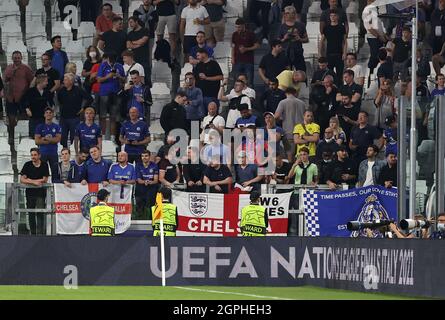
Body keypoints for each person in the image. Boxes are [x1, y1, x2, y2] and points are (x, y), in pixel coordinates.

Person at [3, 51, 34, 143]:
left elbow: (32, 81)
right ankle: (11, 136)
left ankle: (30, 137)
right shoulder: (9, 68)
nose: (16, 59)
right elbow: (4, 80)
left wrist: (28, 94)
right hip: (10, 97)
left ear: (21, 58)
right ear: (12, 58)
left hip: (22, 97)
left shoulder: (26, 68)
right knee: (11, 119)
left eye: (18, 58)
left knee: (26, 117)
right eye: (15, 58)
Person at [19, 148, 50, 235]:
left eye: (35, 155)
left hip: (41, 193)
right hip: (29, 193)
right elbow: (21, 179)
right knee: (31, 214)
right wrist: (34, 182)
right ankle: (32, 234)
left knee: (40, 213)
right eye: (32, 155)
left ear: (39, 155)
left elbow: (45, 179)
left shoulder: (44, 165)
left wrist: (29, 180)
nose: (33, 157)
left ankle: (40, 234)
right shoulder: (27, 165)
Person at [57, 73, 92, 148]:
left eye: (66, 80)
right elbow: (59, 101)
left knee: (74, 137)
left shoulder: (78, 90)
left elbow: (90, 99)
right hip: (63, 117)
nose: (64, 81)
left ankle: (74, 152)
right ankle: (64, 152)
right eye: (64, 80)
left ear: (71, 81)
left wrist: (83, 108)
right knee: (63, 137)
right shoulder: (61, 91)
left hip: (74, 117)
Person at [97, 53, 126, 138]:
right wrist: (108, 76)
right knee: (102, 116)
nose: (112, 63)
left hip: (115, 94)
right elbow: (99, 79)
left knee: (113, 116)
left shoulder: (119, 66)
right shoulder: (103, 65)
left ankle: (113, 138)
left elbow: (124, 79)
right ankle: (102, 136)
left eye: (114, 61)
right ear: (108, 59)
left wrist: (119, 76)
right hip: (104, 94)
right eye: (111, 61)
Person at [274, 87, 306, 154]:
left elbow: (276, 116)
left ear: (286, 93)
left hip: (288, 133)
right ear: (295, 93)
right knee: (301, 155)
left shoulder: (282, 102)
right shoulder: (302, 103)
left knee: (289, 156)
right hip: (301, 134)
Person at [319, 9, 347, 85]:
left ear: (337, 17)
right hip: (329, 54)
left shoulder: (342, 27)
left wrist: (344, 53)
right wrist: (320, 53)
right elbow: (322, 41)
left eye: (334, 15)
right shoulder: (326, 28)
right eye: (331, 16)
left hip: (339, 54)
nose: (332, 17)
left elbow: (344, 41)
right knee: (329, 74)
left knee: (339, 74)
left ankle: (340, 91)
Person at [133, 0, 159, 79]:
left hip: (150, 36)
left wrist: (149, 31)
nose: (146, 0)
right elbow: (134, 24)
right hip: (139, 36)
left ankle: (148, 74)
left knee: (149, 55)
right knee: (137, 54)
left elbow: (155, 24)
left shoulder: (154, 12)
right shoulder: (136, 12)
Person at [34, 107, 62, 182]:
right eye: (47, 113)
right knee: (41, 173)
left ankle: (56, 190)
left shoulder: (57, 127)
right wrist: (51, 140)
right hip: (43, 153)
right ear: (44, 115)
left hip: (53, 154)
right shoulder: (40, 127)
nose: (48, 114)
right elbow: (37, 141)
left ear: (53, 115)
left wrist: (45, 139)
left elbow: (58, 139)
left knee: (55, 173)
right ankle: (41, 189)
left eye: (50, 113)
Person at [278, 5, 308, 72]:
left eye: (288, 13)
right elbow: (278, 41)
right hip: (285, 52)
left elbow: (306, 39)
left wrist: (299, 39)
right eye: (286, 13)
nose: (286, 15)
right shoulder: (282, 26)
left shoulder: (301, 25)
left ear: (293, 14)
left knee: (301, 71)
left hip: (298, 52)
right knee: (286, 73)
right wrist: (284, 38)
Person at [231, 18, 259, 86]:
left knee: (249, 82)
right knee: (237, 81)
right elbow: (233, 47)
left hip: (248, 61)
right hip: (237, 60)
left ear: (243, 26)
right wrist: (232, 58)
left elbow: (257, 45)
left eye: (239, 27)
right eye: (236, 27)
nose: (238, 28)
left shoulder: (251, 34)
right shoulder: (234, 34)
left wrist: (246, 49)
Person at [362, 0, 388, 75]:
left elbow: (378, 25)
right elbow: (369, 26)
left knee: (380, 55)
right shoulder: (367, 10)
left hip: (379, 36)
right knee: (375, 55)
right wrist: (378, 36)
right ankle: (370, 73)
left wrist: (384, 35)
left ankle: (377, 72)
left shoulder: (374, 9)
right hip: (373, 37)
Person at [127, 16, 151, 85]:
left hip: (144, 59)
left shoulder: (145, 30)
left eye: (131, 22)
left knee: (146, 79)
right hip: (134, 59)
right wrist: (139, 44)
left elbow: (143, 41)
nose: (130, 25)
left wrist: (133, 42)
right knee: (134, 79)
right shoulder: (130, 33)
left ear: (136, 22)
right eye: (129, 23)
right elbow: (128, 45)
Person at [135, 150, 159, 220]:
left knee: (152, 205)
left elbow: (155, 180)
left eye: (146, 156)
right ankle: (139, 219)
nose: (144, 157)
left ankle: (152, 220)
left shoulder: (154, 165)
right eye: (142, 156)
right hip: (141, 187)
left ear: (149, 156)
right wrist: (145, 181)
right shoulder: (138, 165)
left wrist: (149, 182)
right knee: (139, 203)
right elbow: (138, 180)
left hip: (151, 188)